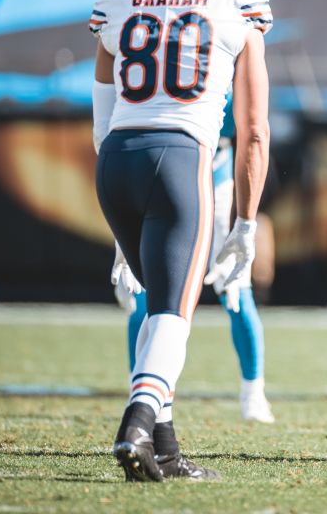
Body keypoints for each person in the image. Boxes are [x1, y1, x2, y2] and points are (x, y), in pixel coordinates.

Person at [91, 0, 270, 482]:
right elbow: (254, 132)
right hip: (182, 159)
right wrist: (246, 222)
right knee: (173, 312)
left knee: (157, 306)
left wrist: (121, 237)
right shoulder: (238, 4)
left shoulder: (116, 4)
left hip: (116, 162)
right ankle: (138, 424)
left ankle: (163, 448)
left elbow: (102, 120)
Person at [115, 94, 275, 425]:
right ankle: (141, 396)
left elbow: (243, 134)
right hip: (162, 176)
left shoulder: (225, 66)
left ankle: (253, 391)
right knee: (149, 298)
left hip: (204, 182)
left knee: (234, 293)